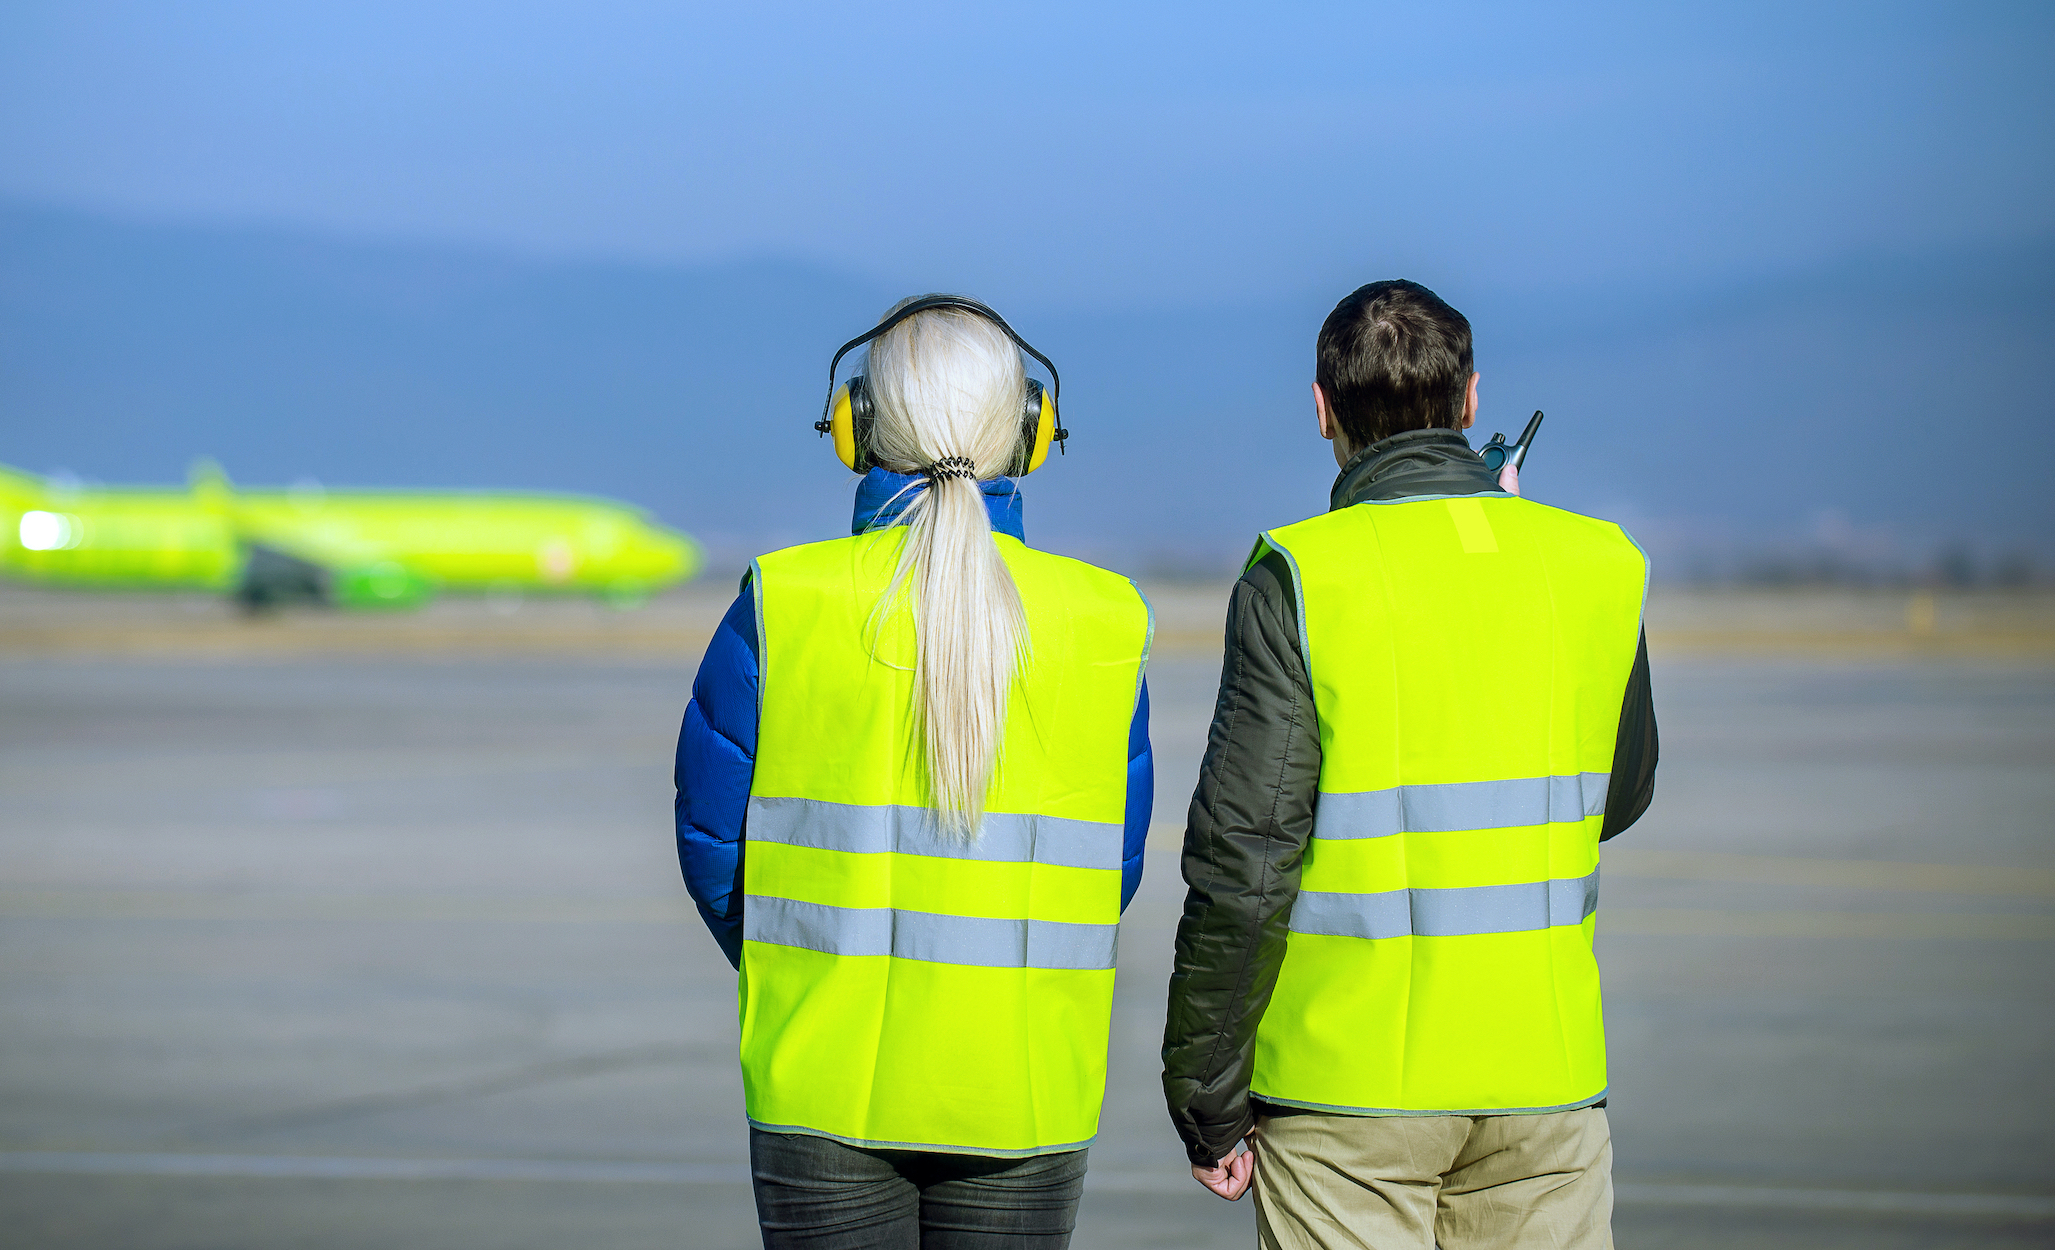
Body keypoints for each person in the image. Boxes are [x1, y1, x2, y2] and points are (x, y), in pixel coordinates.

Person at [1160, 280, 1659, 1249]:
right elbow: (1619, 792)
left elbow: (1245, 858)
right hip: (1544, 1078)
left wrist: (1204, 1089)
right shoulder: (1598, 561)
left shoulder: (1298, 575)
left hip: (1344, 1095)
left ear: (1321, 409)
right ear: (1470, 400)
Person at [675, 295, 1155, 1249]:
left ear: (853, 427)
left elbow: (713, 848)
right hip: (1022, 1086)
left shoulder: (783, 602)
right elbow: (1117, 867)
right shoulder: (1108, 621)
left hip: (822, 1081)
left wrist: (802, 962)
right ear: (1032, 433)